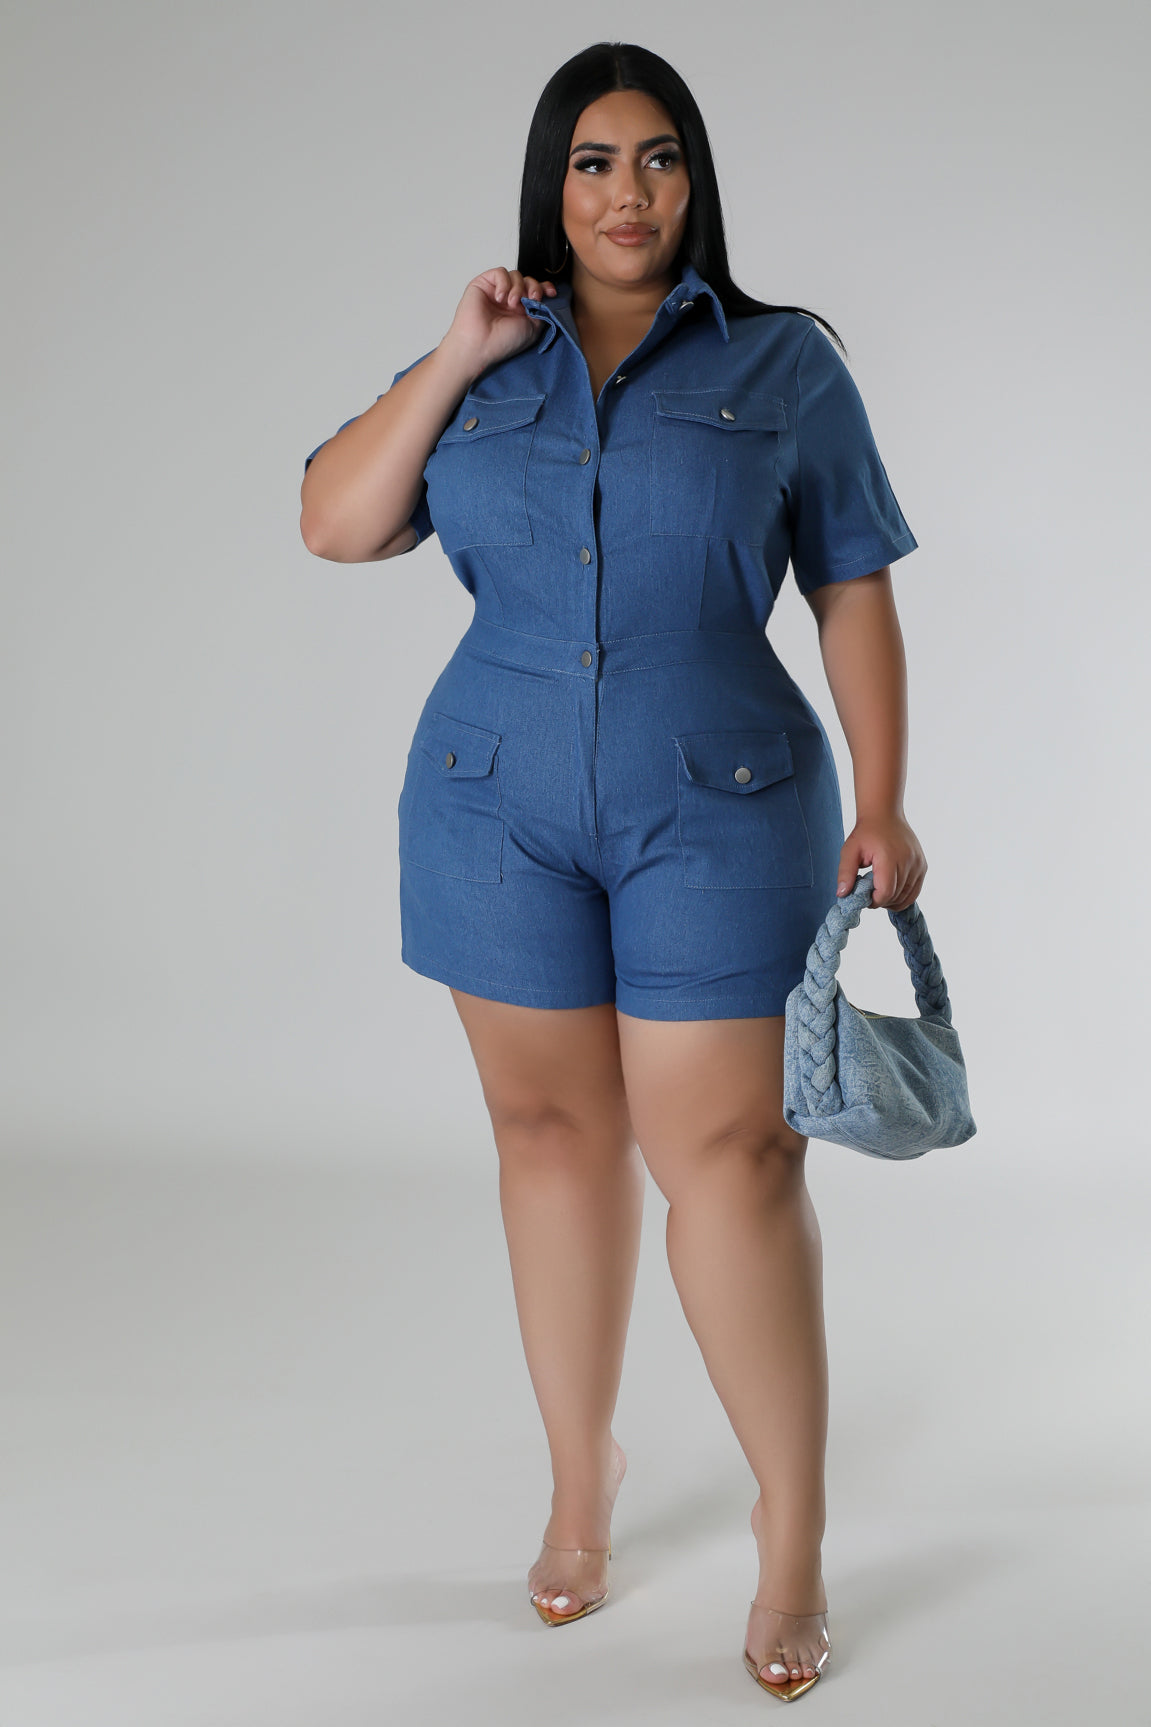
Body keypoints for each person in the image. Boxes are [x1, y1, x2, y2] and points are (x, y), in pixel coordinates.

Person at [300, 39, 927, 1704]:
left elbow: (852, 581)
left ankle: (792, 1535)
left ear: (694, 181)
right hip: (492, 804)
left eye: (657, 158)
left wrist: (886, 799)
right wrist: (457, 348)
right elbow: (335, 522)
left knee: (733, 1159)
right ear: (550, 186)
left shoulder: (784, 364)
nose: (627, 191)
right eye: (592, 161)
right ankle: (582, 1485)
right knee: (551, 1140)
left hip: (722, 805)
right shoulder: (484, 362)